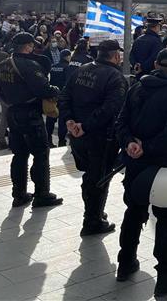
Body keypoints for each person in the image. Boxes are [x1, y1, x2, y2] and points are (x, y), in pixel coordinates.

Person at [115, 48, 167, 297]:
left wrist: (131, 143)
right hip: (162, 164)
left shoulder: (137, 87)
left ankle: (125, 262)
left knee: (134, 211)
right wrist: (149, 148)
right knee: (166, 218)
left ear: (155, 64)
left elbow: (121, 121)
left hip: (135, 162)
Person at [58, 39, 128, 236]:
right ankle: (92, 220)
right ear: (115, 56)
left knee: (90, 175)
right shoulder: (115, 77)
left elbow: (64, 96)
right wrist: (84, 126)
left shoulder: (81, 70)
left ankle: (95, 212)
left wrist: (70, 121)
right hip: (100, 137)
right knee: (99, 178)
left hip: (78, 135)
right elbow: (111, 109)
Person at [0, 32, 63, 208]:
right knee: (41, 154)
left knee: (19, 155)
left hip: (12, 112)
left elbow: (0, 91)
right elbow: (43, 90)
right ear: (27, 47)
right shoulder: (30, 65)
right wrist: (55, 90)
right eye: (32, 46)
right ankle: (42, 194)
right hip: (30, 114)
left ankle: (18, 194)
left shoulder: (3, 64)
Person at [46, 49, 71, 148]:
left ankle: (48, 139)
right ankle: (61, 141)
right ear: (67, 57)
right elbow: (67, 83)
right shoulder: (67, 67)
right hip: (62, 96)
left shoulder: (53, 67)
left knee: (51, 118)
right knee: (62, 120)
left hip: (52, 95)